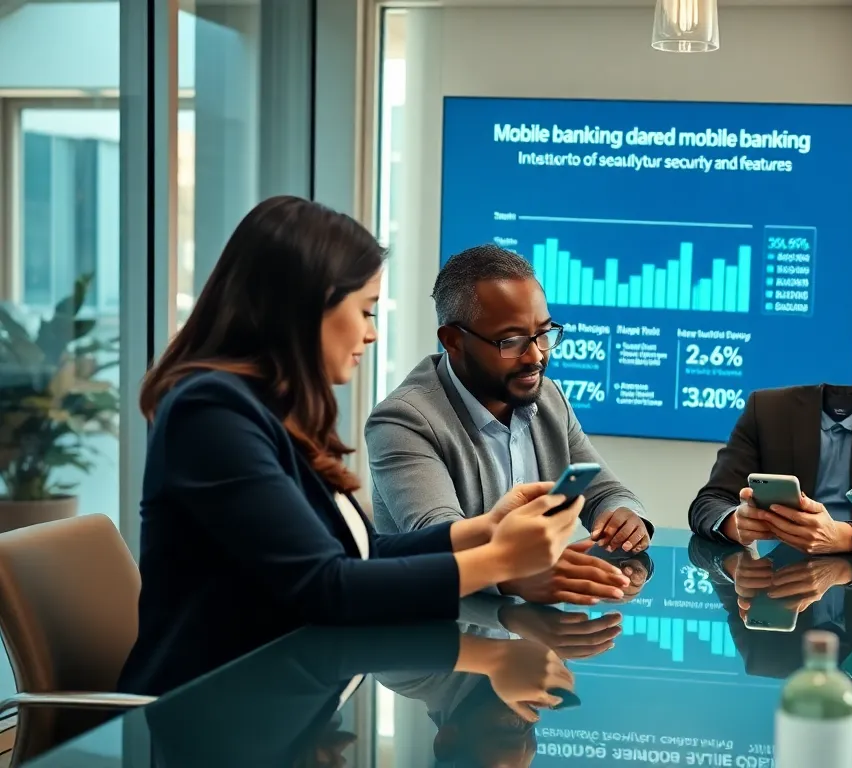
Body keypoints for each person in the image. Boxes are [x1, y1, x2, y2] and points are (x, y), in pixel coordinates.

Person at [119, 197, 584, 697]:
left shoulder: (272, 411)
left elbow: (360, 554)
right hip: (210, 712)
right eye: (364, 310)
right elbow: (327, 588)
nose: (371, 333)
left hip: (284, 697)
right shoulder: (210, 415)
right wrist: (499, 562)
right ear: (302, 308)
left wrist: (484, 531)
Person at [366, 244, 653, 605]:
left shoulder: (548, 397)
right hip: (435, 640)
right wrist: (511, 578)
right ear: (453, 341)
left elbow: (604, 491)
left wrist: (622, 516)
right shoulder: (403, 420)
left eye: (544, 334)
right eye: (512, 341)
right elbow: (438, 540)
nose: (535, 356)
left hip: (530, 634)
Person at [688, 384, 852, 554]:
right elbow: (708, 504)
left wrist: (849, 536)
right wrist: (736, 523)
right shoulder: (767, 410)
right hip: (780, 584)